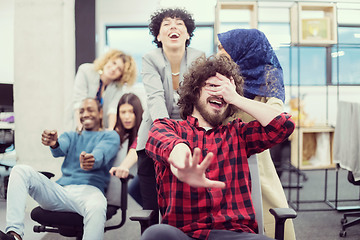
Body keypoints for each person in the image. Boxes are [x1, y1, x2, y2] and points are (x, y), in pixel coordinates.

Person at [141, 55, 295, 240]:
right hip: (184, 234)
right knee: (156, 234)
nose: (220, 93)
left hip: (235, 234)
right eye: (213, 86)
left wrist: (237, 98)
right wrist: (183, 165)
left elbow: (284, 125)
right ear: (195, 91)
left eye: (226, 89)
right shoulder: (168, 127)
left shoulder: (238, 134)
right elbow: (167, 144)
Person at [0, 98, 120, 240]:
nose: (85, 114)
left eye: (90, 110)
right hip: (62, 190)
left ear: (100, 113)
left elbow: (102, 152)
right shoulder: (71, 135)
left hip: (89, 191)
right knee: (20, 170)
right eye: (82, 111)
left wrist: (92, 158)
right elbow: (60, 146)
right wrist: (54, 143)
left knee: (98, 206)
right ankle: (15, 235)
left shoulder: (110, 135)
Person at [217, 28, 296, 239]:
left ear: (244, 49)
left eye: (225, 48)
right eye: (218, 47)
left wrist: (235, 98)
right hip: (219, 157)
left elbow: (278, 117)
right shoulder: (220, 74)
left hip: (254, 158)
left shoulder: (268, 75)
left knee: (268, 215)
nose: (219, 53)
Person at [136, 7, 204, 224]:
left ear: (188, 34)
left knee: (186, 206)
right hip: (154, 136)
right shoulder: (150, 58)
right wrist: (168, 138)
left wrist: (182, 139)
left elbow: (199, 100)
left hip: (189, 137)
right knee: (152, 208)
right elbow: (155, 98)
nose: (173, 26)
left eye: (179, 24)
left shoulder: (199, 57)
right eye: (166, 24)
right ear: (158, 35)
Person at [72, 49, 137, 131]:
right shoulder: (85, 70)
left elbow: (112, 109)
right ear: (107, 60)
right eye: (114, 63)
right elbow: (78, 102)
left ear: (122, 75)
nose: (113, 69)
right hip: (78, 124)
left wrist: (110, 130)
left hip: (99, 129)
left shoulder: (118, 87)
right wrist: (80, 127)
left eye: (119, 69)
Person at [109, 93, 144, 206]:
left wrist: (123, 166)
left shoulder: (145, 132)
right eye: (123, 112)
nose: (127, 116)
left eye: (131, 112)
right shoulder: (117, 136)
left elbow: (138, 143)